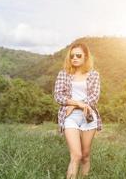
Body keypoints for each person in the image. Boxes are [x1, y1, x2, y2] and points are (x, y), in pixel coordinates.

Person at [53, 42, 102, 178]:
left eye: (78, 55)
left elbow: (94, 97)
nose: (74, 58)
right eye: (72, 56)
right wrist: (78, 104)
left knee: (85, 156)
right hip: (69, 117)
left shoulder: (94, 75)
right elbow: (58, 96)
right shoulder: (63, 74)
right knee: (76, 155)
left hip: (88, 116)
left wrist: (74, 104)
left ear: (85, 57)